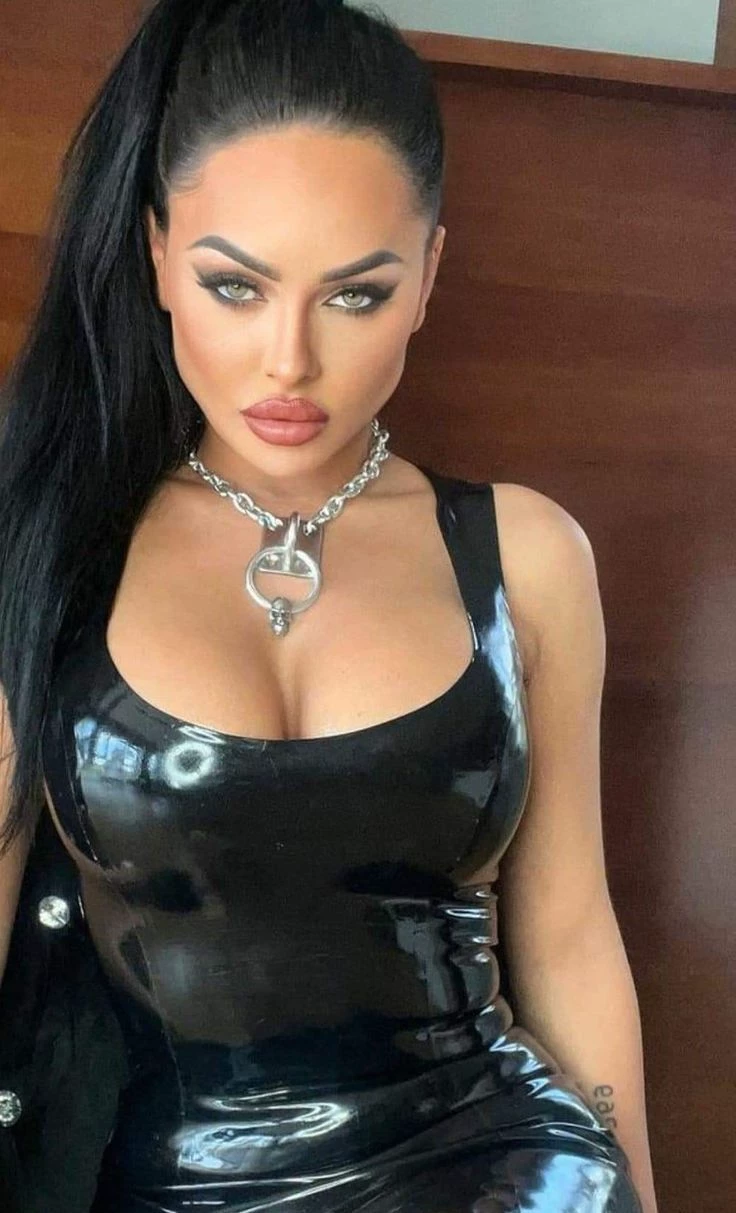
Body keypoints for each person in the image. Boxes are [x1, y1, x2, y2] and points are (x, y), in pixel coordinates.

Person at [0, 0, 659, 1209]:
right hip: (175, 1183)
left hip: (504, 1166)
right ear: (156, 254)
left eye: (354, 295)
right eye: (234, 286)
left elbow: (568, 934)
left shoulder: (525, 555)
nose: (288, 361)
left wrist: (636, 1186)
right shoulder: (49, 542)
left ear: (428, 277)